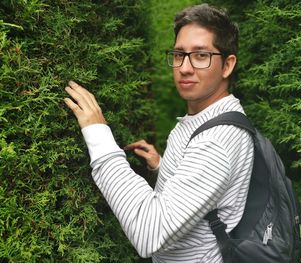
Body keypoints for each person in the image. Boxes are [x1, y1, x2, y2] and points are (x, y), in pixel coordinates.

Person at [64, 3, 254, 262]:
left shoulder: (216, 141)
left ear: (227, 65)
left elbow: (149, 232)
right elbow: (205, 193)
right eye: (179, 54)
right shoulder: (206, 117)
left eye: (201, 55)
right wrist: (162, 167)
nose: (185, 67)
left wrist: (98, 134)